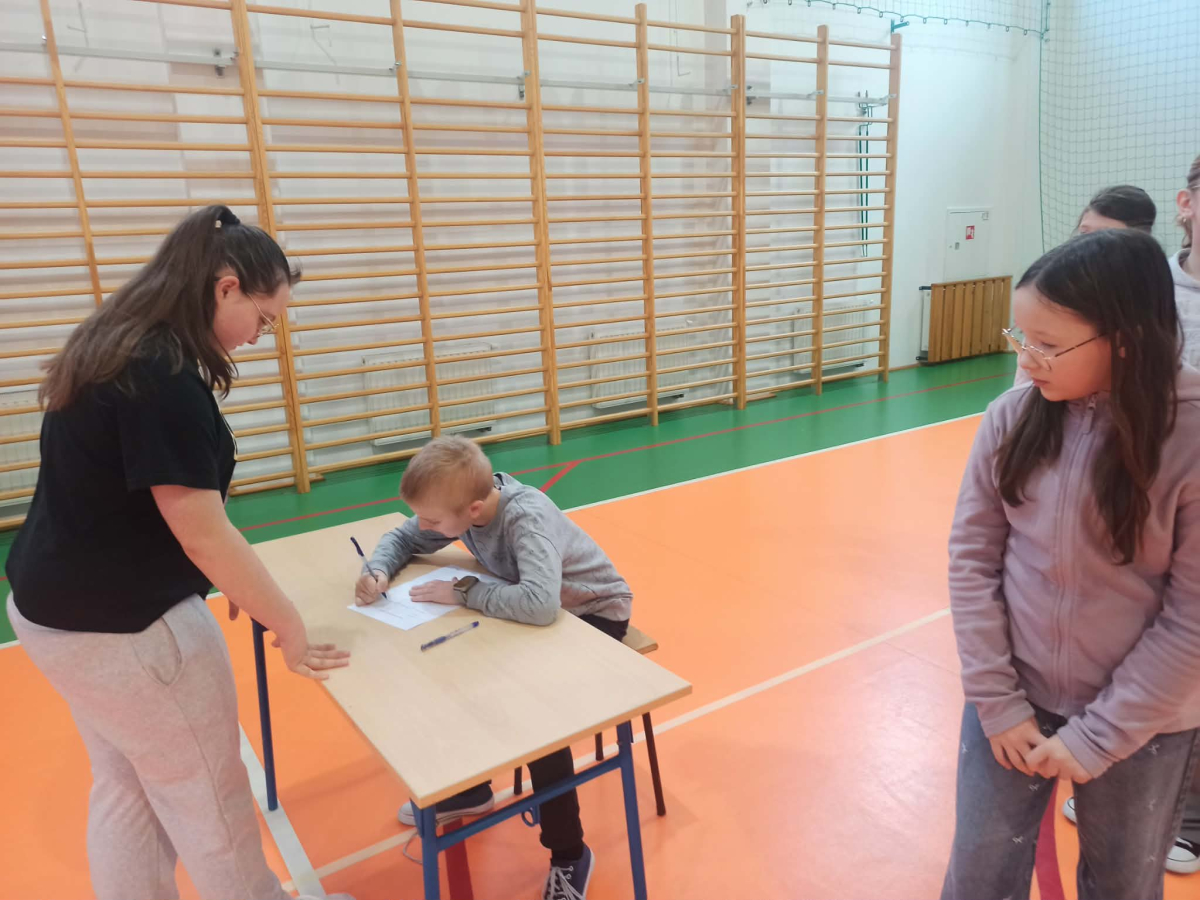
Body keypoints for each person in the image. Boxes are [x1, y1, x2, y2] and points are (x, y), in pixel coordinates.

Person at [5, 205, 351, 900]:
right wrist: (285, 622)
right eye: (264, 318)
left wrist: (235, 584)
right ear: (226, 287)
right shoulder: (160, 378)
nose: (261, 336)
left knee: (128, 786)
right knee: (208, 795)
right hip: (125, 627)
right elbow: (202, 531)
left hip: (52, 614)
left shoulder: (118, 341)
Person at [941, 228, 1200, 899]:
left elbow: (1191, 620)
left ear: (1125, 340)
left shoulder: (1190, 436)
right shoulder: (1011, 418)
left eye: (1048, 345)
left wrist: (1099, 736)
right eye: (1020, 337)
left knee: (1121, 883)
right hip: (1013, 702)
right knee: (978, 875)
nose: (1026, 359)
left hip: (1143, 722)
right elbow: (972, 562)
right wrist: (997, 702)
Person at [356, 436, 634, 900]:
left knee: (539, 718)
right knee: (463, 666)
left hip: (593, 614)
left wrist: (463, 592)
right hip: (537, 607)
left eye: (432, 521)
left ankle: (570, 854)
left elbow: (540, 605)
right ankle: (473, 788)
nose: (424, 526)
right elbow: (404, 537)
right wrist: (379, 569)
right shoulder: (462, 506)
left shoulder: (525, 518)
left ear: (473, 509)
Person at [1014, 184, 1156, 386]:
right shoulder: (1057, 293)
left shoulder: (1156, 304)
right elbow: (1025, 385)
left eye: (1105, 237)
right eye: (1084, 233)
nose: (1089, 245)